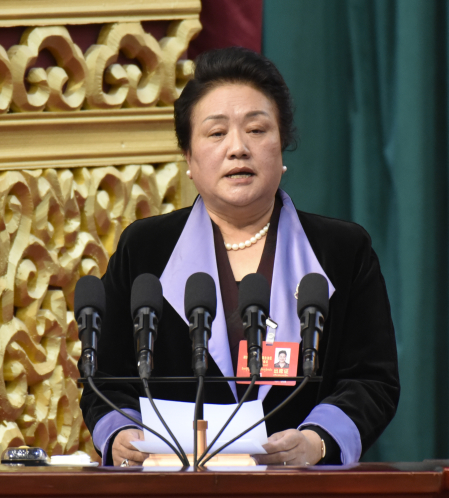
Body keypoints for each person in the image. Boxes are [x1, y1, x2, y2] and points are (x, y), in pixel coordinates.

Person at [80, 47, 399, 467]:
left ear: (282, 147)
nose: (238, 148)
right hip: (172, 486)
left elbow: (371, 380)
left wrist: (316, 442)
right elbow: (106, 378)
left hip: (300, 489)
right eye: (216, 133)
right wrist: (120, 434)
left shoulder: (342, 250)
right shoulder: (145, 249)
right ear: (189, 157)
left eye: (257, 129)